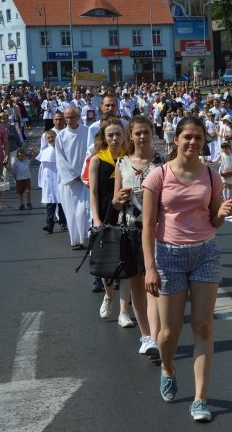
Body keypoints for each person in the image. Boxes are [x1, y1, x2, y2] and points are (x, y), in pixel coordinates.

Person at [142, 116, 232, 422]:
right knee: (169, 333)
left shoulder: (211, 177)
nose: (193, 143)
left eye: (198, 138)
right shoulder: (158, 176)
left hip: (205, 253)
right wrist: (150, 268)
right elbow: (147, 227)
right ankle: (168, 368)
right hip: (168, 255)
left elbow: (214, 220)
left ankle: (200, 399)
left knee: (204, 326)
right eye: (187, 137)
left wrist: (221, 212)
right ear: (176, 139)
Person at [114, 115, 164, 359]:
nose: (142, 136)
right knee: (136, 283)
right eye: (137, 133)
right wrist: (120, 197)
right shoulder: (122, 163)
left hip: (156, 230)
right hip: (130, 229)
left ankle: (155, 337)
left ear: (152, 133)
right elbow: (114, 203)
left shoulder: (162, 163)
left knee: (152, 284)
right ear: (130, 136)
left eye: (146, 132)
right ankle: (146, 335)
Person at [88, 116, 135, 326]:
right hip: (105, 214)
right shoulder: (98, 159)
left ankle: (124, 312)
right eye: (110, 135)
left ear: (124, 135)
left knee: (125, 262)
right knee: (108, 262)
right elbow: (94, 193)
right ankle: (109, 296)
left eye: (118, 134)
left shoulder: (129, 158)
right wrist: (96, 218)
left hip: (126, 214)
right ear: (104, 137)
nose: (115, 138)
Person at [56, 107, 91, 250]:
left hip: (87, 177)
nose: (69, 120)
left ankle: (90, 236)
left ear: (78, 117)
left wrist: (86, 172)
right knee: (72, 211)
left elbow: (92, 152)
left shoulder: (87, 131)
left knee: (86, 210)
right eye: (67, 117)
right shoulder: (61, 136)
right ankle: (76, 240)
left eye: (72, 117)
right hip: (70, 181)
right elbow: (60, 159)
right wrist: (73, 174)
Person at [37, 129, 64, 233]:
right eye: (48, 138)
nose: (50, 139)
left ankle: (63, 222)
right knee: (50, 204)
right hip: (49, 181)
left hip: (59, 178)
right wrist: (42, 181)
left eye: (52, 137)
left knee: (61, 203)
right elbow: (42, 168)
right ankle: (49, 224)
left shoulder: (61, 149)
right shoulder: (44, 152)